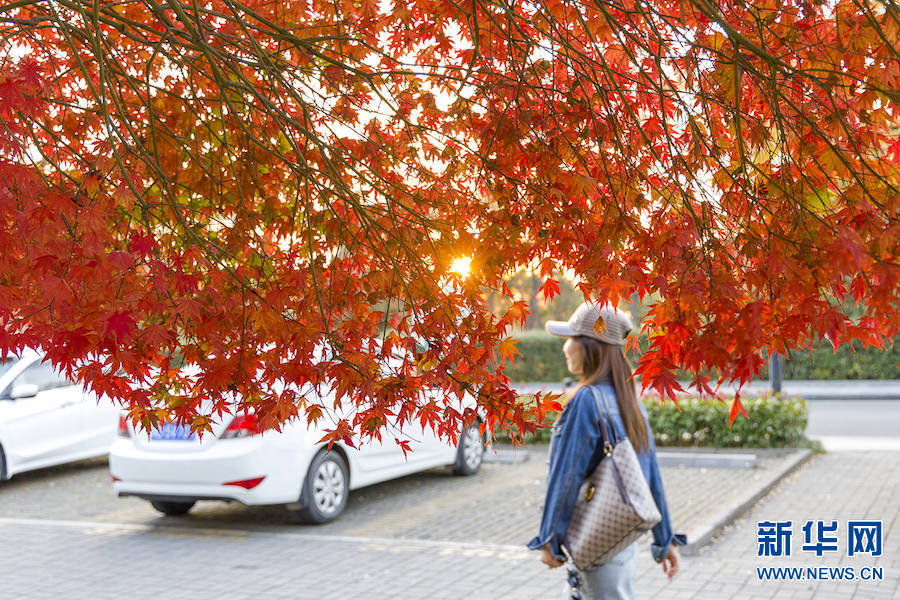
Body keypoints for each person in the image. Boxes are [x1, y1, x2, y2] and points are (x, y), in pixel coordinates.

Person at [528, 301, 686, 600]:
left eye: (571, 339)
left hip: (593, 540)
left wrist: (549, 537)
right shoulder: (629, 400)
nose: (565, 348)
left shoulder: (585, 401)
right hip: (621, 541)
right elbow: (649, 474)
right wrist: (665, 540)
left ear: (590, 346)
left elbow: (566, 475)